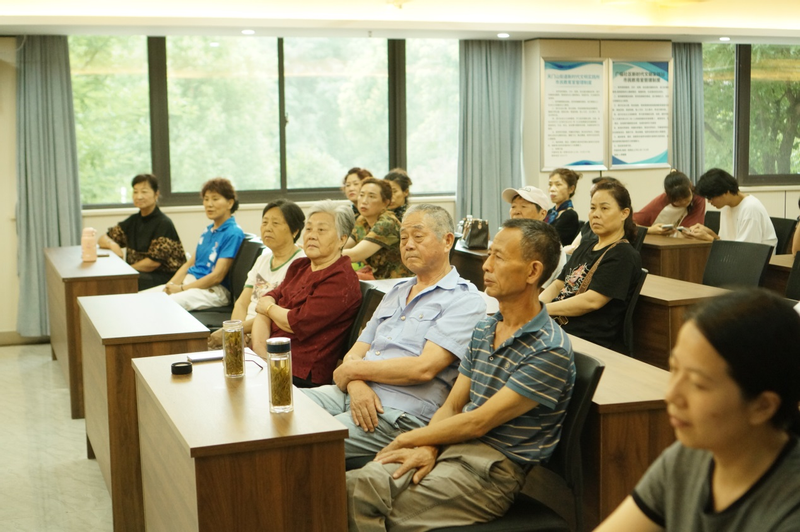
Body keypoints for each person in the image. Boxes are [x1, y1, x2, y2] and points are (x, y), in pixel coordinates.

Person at [346, 219, 575, 531]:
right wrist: (428, 446)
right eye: (489, 254)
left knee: (366, 504)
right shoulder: (486, 328)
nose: (486, 265)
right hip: (450, 445)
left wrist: (408, 439)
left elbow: (478, 421)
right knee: (357, 485)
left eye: (499, 257)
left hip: (489, 471)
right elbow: (453, 406)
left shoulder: (549, 349)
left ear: (533, 272)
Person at [595, 289, 800, 531]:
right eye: (674, 369)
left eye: (697, 383)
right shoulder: (688, 457)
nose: (671, 395)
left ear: (762, 406)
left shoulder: (790, 510)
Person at [303, 204, 487, 459]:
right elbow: (354, 354)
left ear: (447, 241)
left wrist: (353, 372)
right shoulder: (396, 291)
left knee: (302, 441)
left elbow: (423, 368)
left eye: (418, 236)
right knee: (282, 410)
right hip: (352, 392)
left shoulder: (465, 300)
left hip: (397, 412)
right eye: (403, 238)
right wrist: (357, 385)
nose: (408, 245)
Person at [251, 200, 361, 387]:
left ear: (342, 239)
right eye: (309, 229)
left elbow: (295, 322)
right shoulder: (300, 266)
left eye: (321, 230)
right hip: (269, 358)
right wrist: (261, 352)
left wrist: (269, 309)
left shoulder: (341, 280)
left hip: (299, 371)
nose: (312, 236)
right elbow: (266, 301)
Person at [541, 180, 642, 350]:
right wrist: (535, 305)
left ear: (624, 213)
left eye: (604, 208)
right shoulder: (585, 246)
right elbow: (558, 284)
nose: (596, 214)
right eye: (592, 208)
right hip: (556, 328)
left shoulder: (623, 255)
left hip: (584, 339)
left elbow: (591, 301)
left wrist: (541, 310)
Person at [207, 200, 306, 349]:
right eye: (264, 222)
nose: (268, 228)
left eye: (275, 223)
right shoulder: (263, 258)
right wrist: (237, 334)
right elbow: (242, 303)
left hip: (269, 338)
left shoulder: (301, 264)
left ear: (295, 231)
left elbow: (277, 316)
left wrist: (237, 330)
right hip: (245, 334)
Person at [145, 178, 244, 311]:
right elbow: (188, 265)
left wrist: (181, 289)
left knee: (160, 305)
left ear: (230, 203)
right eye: (206, 199)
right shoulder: (208, 230)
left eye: (215, 199)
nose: (209, 204)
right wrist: (170, 286)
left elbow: (217, 276)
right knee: (141, 298)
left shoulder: (233, 233)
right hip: (192, 283)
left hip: (213, 290)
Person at [99, 174, 186, 291]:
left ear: (156, 194)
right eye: (135, 192)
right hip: (138, 273)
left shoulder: (163, 223)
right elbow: (103, 238)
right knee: (107, 276)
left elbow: (152, 263)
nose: (139, 196)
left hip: (164, 277)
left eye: (144, 192)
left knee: (117, 281)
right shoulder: (133, 220)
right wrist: (112, 244)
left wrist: (125, 269)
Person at [682, 168, 778, 250]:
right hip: (735, 257)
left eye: (710, 197)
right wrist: (708, 233)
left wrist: (709, 238)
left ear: (726, 192)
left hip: (756, 261)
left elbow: (745, 250)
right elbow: (725, 242)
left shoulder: (750, 208)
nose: (709, 202)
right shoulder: (726, 206)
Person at [343, 177, 412, 280]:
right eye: (361, 195)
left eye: (371, 196)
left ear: (385, 202)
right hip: (379, 280)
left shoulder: (387, 223)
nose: (364, 201)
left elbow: (355, 255)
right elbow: (343, 245)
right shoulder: (362, 220)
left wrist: (323, 255)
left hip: (399, 281)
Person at [502, 184, 566, 288]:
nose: (516, 211)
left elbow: (536, 290)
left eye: (523, 206)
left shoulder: (548, 245)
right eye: (513, 206)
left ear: (542, 214)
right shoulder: (510, 239)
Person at [634, 171, 706, 236]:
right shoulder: (659, 203)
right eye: (678, 201)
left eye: (686, 197)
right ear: (668, 196)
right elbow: (630, 225)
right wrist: (650, 230)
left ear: (690, 186)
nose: (684, 202)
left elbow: (694, 230)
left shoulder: (698, 197)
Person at [546, 168, 583, 245]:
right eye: (550, 185)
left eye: (558, 185)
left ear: (571, 189)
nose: (552, 189)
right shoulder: (550, 212)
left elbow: (551, 240)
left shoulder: (570, 215)